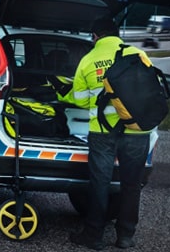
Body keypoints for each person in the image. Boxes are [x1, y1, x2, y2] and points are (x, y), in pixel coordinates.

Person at [60, 17, 152, 250]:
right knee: (132, 184)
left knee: (100, 183)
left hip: (102, 132)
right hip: (137, 130)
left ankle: (94, 236)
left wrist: (63, 93)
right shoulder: (138, 54)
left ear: (95, 36)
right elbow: (150, 89)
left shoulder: (89, 59)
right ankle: (125, 236)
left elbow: (80, 100)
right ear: (116, 33)